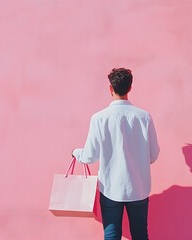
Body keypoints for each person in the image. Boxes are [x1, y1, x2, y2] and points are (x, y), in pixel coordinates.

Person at [72, 68, 160, 240]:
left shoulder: (99, 118)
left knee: (111, 235)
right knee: (141, 235)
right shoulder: (144, 117)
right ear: (130, 88)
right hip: (138, 187)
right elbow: (154, 154)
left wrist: (76, 153)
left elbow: (89, 156)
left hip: (111, 187)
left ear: (110, 89)